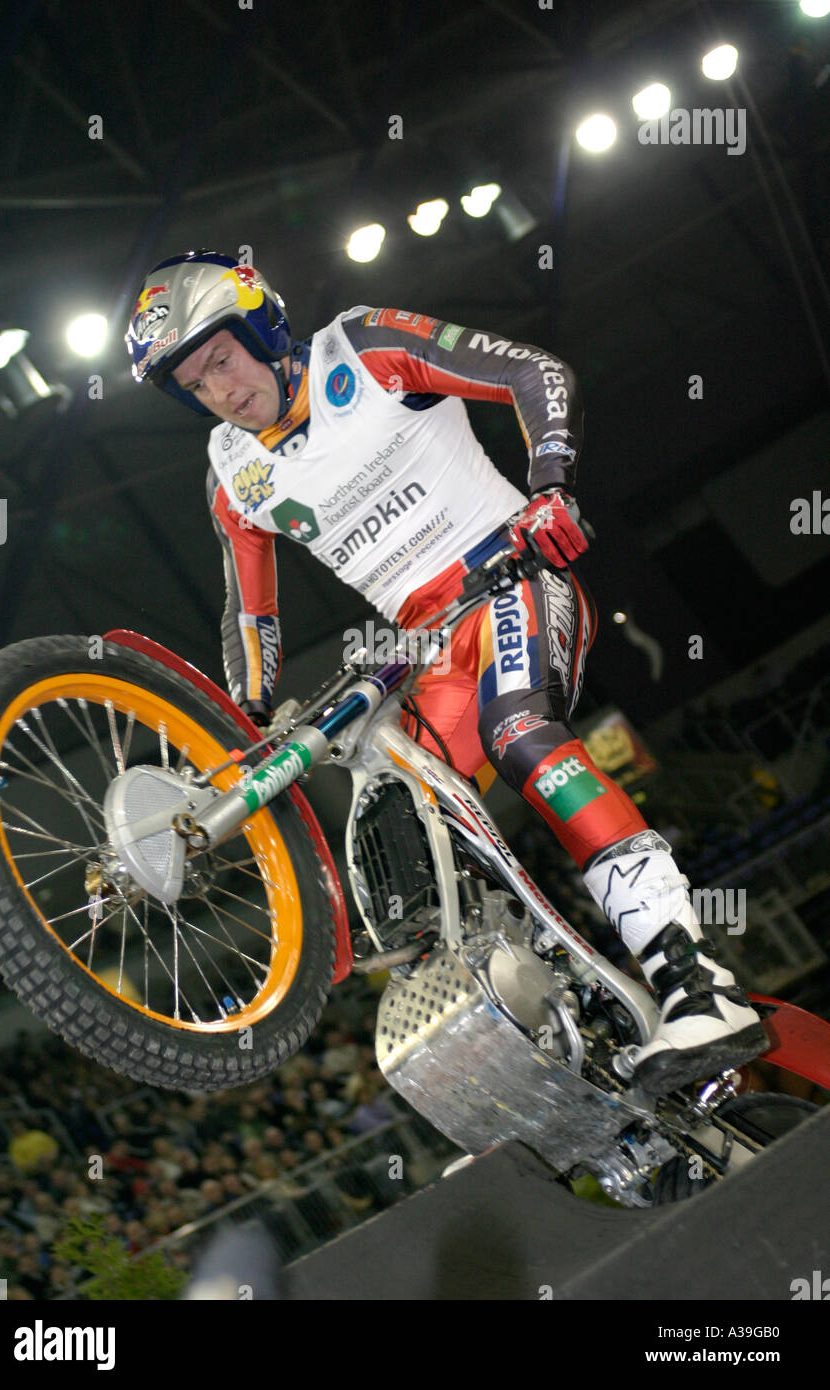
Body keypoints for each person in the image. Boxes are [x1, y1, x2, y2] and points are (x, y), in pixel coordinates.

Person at [126, 250, 768, 1095]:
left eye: (222, 356)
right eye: (195, 383)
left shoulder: (361, 347)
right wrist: (241, 714)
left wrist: (551, 486)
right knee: (400, 858)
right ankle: (556, 1058)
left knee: (519, 734)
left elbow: (533, 373)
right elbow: (252, 614)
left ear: (263, 328)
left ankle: (698, 979)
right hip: (420, 648)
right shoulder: (230, 471)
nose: (221, 389)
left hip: (511, 572)